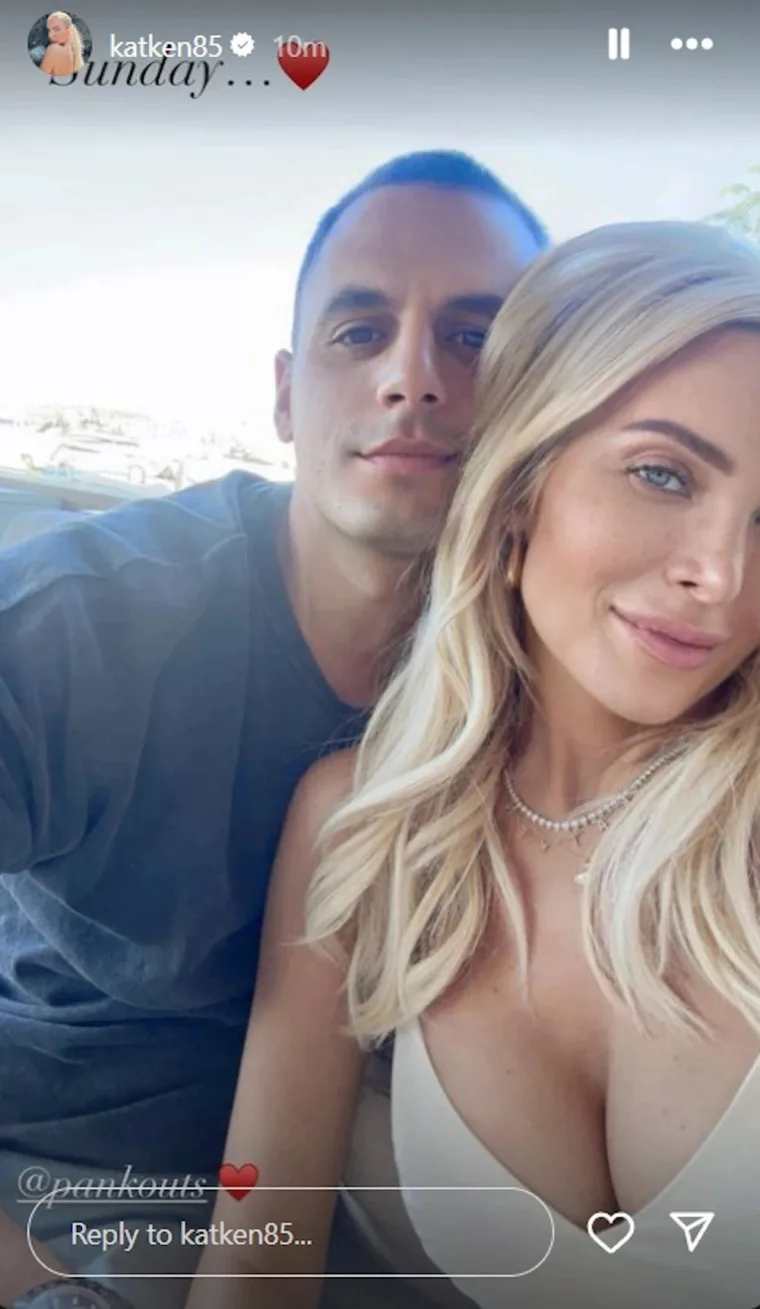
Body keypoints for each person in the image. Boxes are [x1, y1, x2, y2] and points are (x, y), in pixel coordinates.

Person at [0, 152, 546, 1308]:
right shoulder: (77, 627)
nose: (411, 377)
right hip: (61, 1176)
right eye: (359, 332)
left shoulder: (560, 669)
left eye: (472, 337)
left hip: (351, 1191)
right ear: (289, 395)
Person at [185, 220, 760, 1309]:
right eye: (662, 473)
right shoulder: (361, 826)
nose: (722, 575)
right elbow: (258, 1256)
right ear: (517, 489)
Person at [39, 11, 84, 77]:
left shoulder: (54, 49)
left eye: (57, 29)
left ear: (69, 31)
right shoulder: (73, 53)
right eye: (49, 30)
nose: (50, 35)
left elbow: (40, 79)